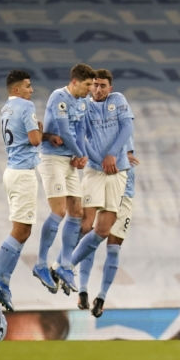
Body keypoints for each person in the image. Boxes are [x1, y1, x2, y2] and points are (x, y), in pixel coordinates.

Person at [57, 69, 134, 318]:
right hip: (95, 170)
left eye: (103, 86)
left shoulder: (119, 102)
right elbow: (81, 135)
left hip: (119, 177)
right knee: (86, 224)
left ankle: (99, 295)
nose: (98, 89)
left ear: (110, 88)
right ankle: (66, 270)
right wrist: (95, 157)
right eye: (95, 85)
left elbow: (126, 130)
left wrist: (114, 155)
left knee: (104, 234)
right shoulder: (83, 107)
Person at [0, 70, 43, 311]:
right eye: (27, 86)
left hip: (12, 171)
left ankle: (4, 282)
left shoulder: (6, 109)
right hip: (23, 173)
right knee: (20, 231)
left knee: (24, 231)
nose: (31, 90)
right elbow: (35, 139)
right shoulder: (26, 107)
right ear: (16, 89)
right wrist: (42, 129)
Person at [33, 63, 95, 294]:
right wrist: (79, 153)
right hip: (52, 159)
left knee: (77, 213)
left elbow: (79, 131)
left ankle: (65, 265)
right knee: (58, 211)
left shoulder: (83, 102)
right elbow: (64, 130)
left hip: (69, 160)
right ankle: (40, 263)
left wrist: (82, 156)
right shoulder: (59, 97)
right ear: (75, 82)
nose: (90, 89)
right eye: (87, 84)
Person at [76, 144, 139, 316]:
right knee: (94, 237)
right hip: (106, 187)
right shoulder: (109, 125)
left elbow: (128, 156)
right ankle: (83, 290)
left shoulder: (125, 125)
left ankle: (100, 298)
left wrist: (125, 158)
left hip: (125, 194)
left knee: (113, 246)